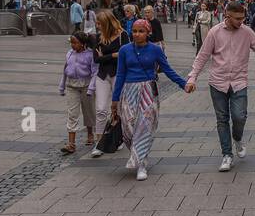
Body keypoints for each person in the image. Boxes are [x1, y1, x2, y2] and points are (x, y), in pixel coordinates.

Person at [186, 0, 255, 171]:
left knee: (239, 117)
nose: (240, 22)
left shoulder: (246, 32)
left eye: (243, 18)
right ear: (227, 16)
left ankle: (238, 138)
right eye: (237, 19)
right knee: (222, 120)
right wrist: (192, 78)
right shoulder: (214, 32)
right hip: (217, 83)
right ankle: (227, 155)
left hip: (239, 82)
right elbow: (202, 56)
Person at [113, 19, 188, 181]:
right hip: (129, 90)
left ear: (148, 33)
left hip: (148, 90)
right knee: (127, 128)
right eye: (134, 31)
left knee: (144, 126)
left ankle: (141, 165)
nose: (137, 34)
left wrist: (184, 84)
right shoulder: (125, 50)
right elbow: (120, 74)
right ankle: (139, 155)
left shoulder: (155, 50)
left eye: (141, 31)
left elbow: (167, 69)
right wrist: (114, 99)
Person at [90, 12, 129, 157]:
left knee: (118, 109)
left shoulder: (122, 35)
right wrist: (113, 55)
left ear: (107, 23)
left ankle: (118, 138)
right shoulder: (98, 37)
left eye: (99, 23)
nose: (97, 26)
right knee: (100, 109)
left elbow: (124, 55)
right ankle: (99, 143)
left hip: (118, 75)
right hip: (102, 75)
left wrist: (105, 56)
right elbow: (96, 59)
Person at [59, 33, 97, 154]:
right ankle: (71, 144)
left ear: (83, 43)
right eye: (71, 42)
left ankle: (90, 133)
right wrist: (62, 86)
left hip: (86, 86)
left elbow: (95, 72)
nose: (73, 45)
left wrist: (91, 88)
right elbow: (65, 70)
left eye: (75, 43)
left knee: (89, 111)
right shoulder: (69, 53)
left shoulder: (90, 55)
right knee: (72, 113)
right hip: (71, 86)